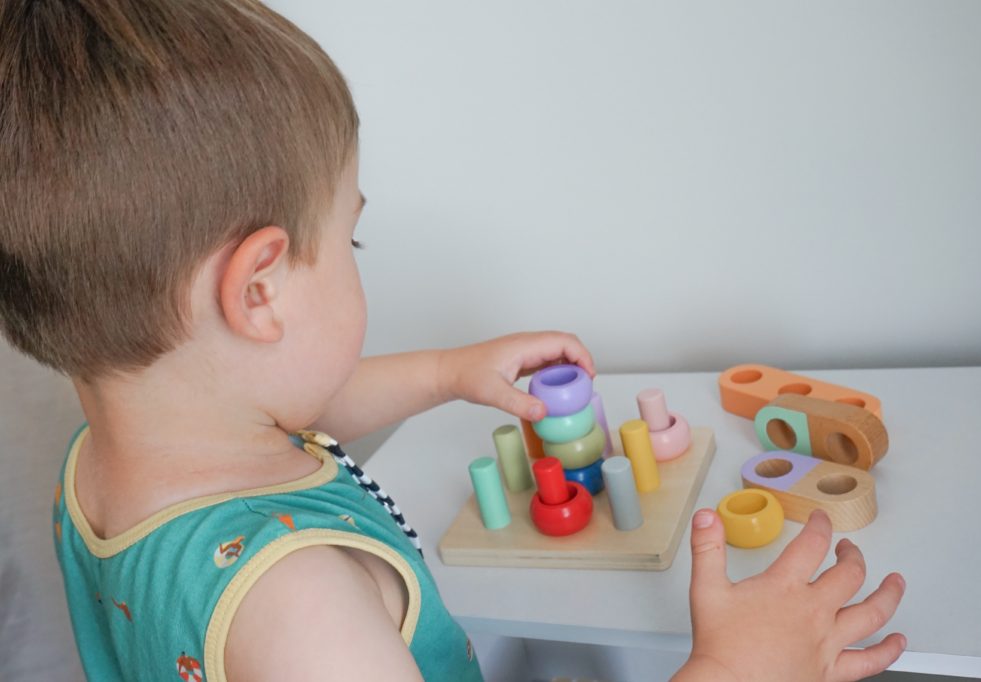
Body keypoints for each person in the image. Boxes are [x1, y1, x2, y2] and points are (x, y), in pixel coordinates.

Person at [0, 1, 906, 680]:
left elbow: (283, 416)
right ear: (260, 291)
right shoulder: (305, 613)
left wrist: (446, 374)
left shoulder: (109, 462)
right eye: (348, 238)